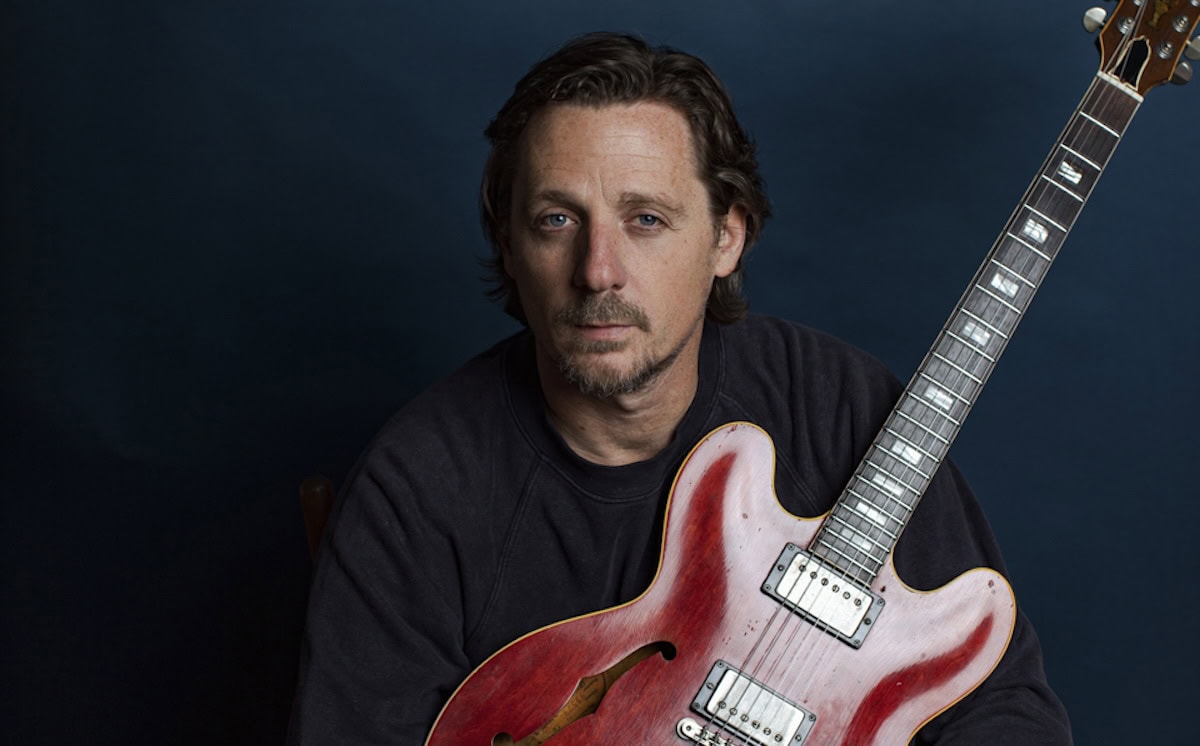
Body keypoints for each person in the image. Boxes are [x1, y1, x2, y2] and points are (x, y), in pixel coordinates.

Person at [288, 32, 1072, 744]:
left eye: (646, 220)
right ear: (510, 244)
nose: (599, 271)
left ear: (726, 237)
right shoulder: (419, 486)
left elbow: (1007, 712)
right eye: (557, 220)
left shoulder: (836, 403)